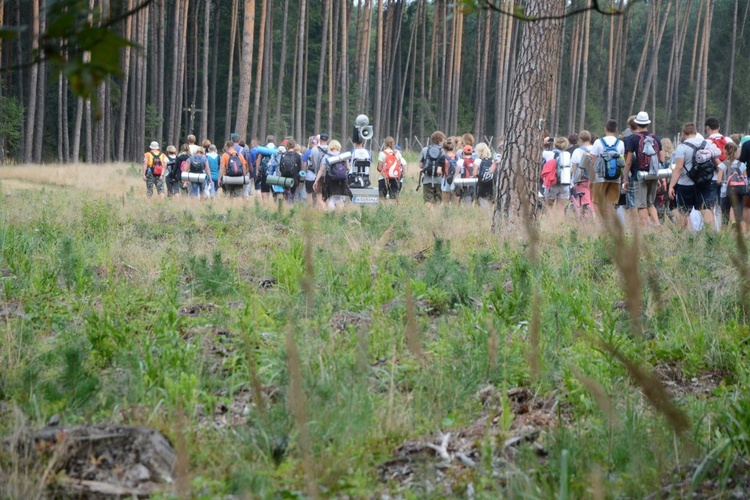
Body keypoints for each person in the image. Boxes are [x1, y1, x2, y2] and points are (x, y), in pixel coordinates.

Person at [668, 122, 722, 231]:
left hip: (685, 184)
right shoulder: (706, 144)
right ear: (695, 132)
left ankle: (684, 238)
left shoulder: (681, 147)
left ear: (683, 133)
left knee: (684, 213)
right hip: (704, 183)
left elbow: (678, 168)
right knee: (706, 209)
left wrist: (671, 186)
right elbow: (718, 163)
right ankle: (711, 237)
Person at [623, 112, 665, 226]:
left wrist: (625, 179)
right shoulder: (656, 138)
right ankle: (657, 226)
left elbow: (628, 161)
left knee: (641, 205)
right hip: (653, 174)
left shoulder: (633, 139)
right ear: (648, 123)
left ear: (637, 123)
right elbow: (662, 158)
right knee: (650, 204)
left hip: (639, 175)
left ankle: (645, 229)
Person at [589, 120, 625, 219]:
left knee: (597, 202)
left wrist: (591, 180)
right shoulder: (621, 143)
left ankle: (601, 223)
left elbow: (593, 163)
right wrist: (622, 179)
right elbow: (621, 162)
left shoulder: (598, 142)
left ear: (605, 128)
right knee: (611, 203)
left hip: (600, 178)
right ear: (616, 130)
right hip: (615, 179)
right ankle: (610, 225)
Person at [313, 140, 353, 210]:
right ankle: (340, 214)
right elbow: (348, 168)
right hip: (341, 180)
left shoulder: (326, 156)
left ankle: (332, 214)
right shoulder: (343, 156)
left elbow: (322, 170)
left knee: (331, 198)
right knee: (338, 197)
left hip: (331, 180)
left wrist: (316, 181)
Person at [718, 142, 745, 230]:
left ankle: (723, 238)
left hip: (725, 193)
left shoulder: (722, 165)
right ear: (736, 151)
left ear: (725, 151)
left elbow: (718, 181)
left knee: (725, 219)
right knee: (739, 217)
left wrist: (724, 182)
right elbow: (745, 179)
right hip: (739, 192)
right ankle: (744, 236)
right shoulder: (742, 165)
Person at [543, 136, 572, 215]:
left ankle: (551, 226)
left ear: (554, 144)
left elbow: (539, 151)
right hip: (565, 184)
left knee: (549, 207)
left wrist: (544, 142)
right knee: (561, 209)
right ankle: (561, 226)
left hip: (552, 184)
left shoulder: (549, 154)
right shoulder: (568, 155)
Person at [570, 130, 594, 219]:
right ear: (590, 138)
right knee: (593, 200)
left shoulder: (577, 151)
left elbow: (574, 167)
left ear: (580, 139)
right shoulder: (595, 148)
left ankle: (586, 220)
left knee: (584, 200)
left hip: (583, 180)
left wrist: (574, 180)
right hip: (595, 180)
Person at [419, 131, 446, 204]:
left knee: (428, 200)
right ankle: (435, 214)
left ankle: (430, 214)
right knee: (438, 201)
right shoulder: (443, 151)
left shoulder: (425, 149)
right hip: (439, 179)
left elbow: (421, 165)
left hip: (427, 179)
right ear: (440, 140)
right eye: (443, 140)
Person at [377, 136, 404, 202]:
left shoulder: (382, 153)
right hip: (395, 178)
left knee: (382, 198)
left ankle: (383, 211)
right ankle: (393, 211)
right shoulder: (397, 153)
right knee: (393, 198)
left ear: (385, 144)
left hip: (384, 178)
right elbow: (399, 166)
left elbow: (379, 168)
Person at [276, 139, 303, 203]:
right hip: (294, 178)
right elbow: (299, 169)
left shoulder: (283, 155)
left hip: (284, 178)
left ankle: (286, 206)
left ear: (287, 146)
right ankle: (291, 207)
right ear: (294, 146)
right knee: (293, 194)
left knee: (285, 194)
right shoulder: (297, 156)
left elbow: (280, 168)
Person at [306, 134, 329, 207]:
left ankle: (324, 211)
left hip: (318, 176)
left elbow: (312, 162)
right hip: (329, 176)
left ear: (319, 140)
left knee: (319, 197)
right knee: (327, 196)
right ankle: (328, 211)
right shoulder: (331, 149)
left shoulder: (314, 149)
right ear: (328, 140)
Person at [474, 142, 497, 207]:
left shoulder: (477, 161)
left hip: (482, 184)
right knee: (490, 201)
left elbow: (475, 173)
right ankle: (489, 215)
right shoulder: (492, 160)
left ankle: (483, 215)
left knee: (482, 202)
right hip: (491, 184)